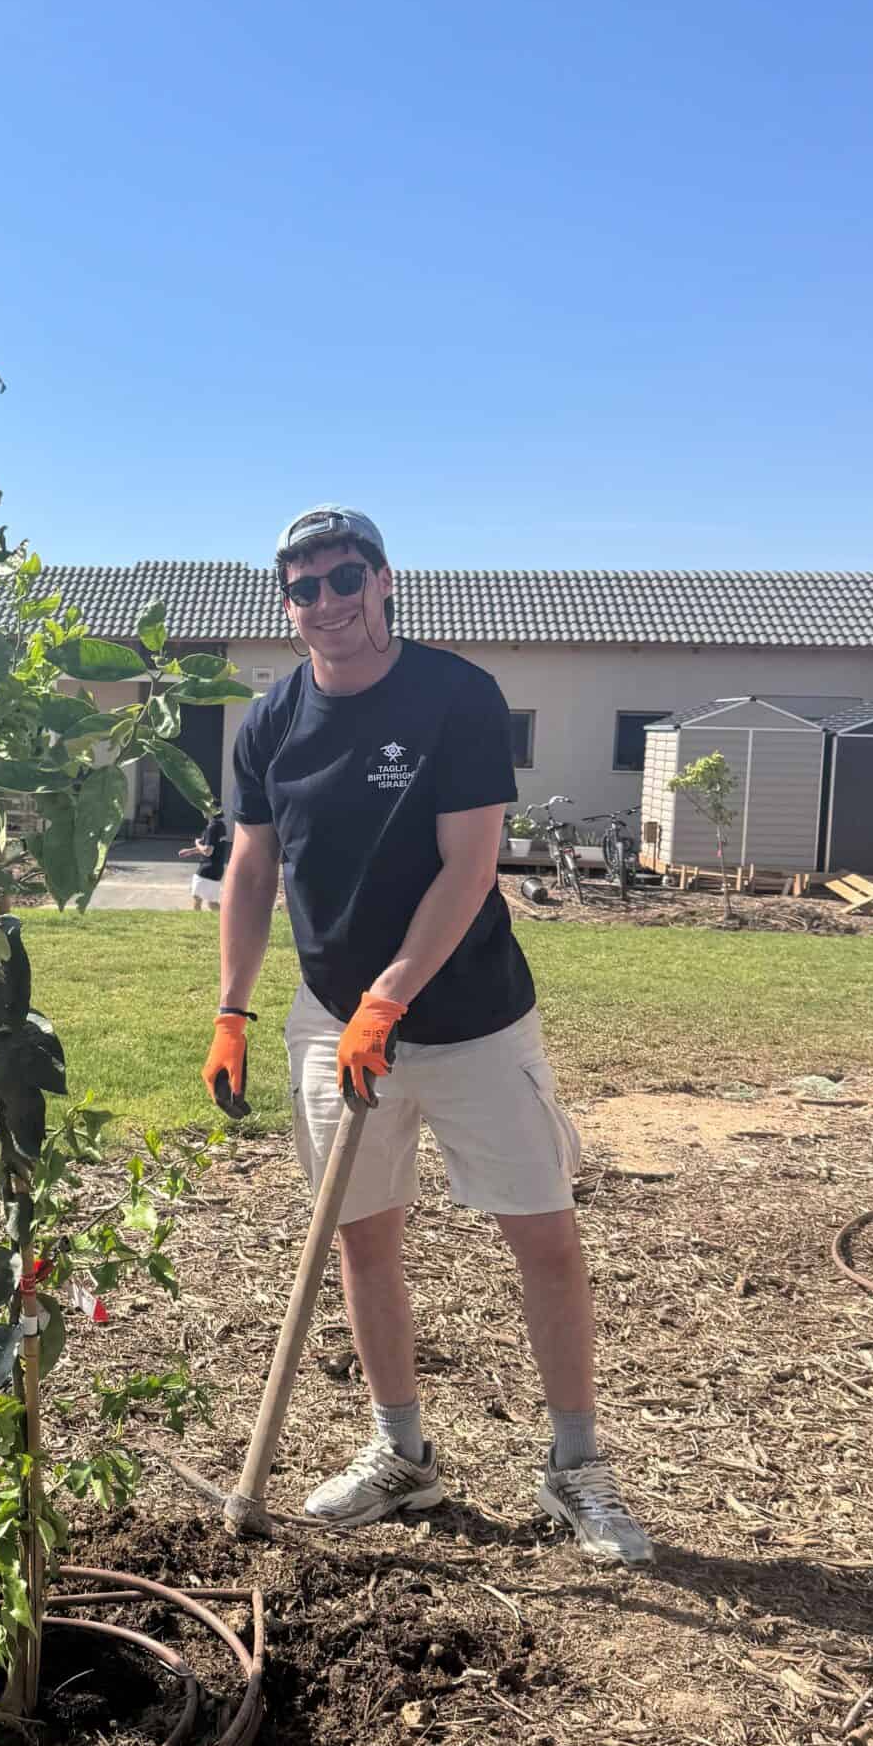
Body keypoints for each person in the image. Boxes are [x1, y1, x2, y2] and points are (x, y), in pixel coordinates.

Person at [203, 506, 651, 1566]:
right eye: (304, 586)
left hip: (469, 1017)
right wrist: (232, 1006)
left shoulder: (455, 695)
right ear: (287, 603)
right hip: (330, 1020)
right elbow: (253, 869)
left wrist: (392, 996)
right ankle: (401, 1455)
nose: (328, 601)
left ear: (384, 578)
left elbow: (469, 865)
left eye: (345, 575)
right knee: (361, 1233)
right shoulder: (270, 721)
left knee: (541, 1232)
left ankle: (575, 1466)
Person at [179, 807, 230, 911]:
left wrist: (196, 843)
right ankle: (226, 921)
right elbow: (211, 847)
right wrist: (190, 851)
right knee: (212, 902)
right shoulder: (221, 826)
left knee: (197, 898)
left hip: (207, 868)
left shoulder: (212, 827)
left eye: (205, 808)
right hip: (217, 869)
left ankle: (196, 922)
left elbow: (208, 851)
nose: (202, 810)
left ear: (212, 811)